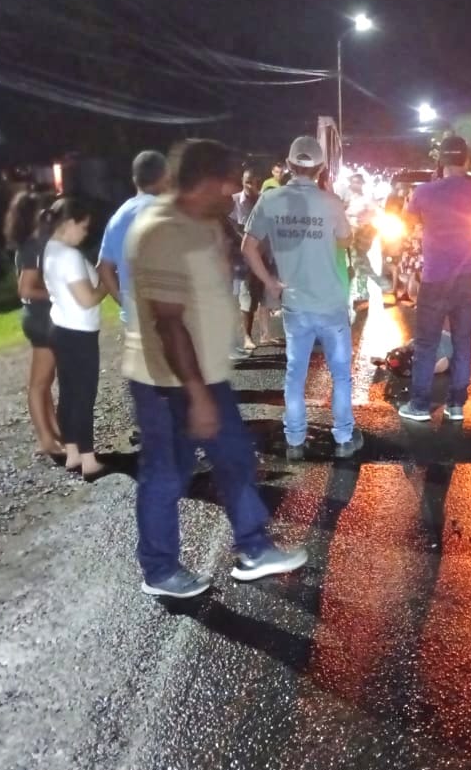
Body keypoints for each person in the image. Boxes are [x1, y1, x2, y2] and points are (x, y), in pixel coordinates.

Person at [125, 139, 308, 599]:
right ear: (205, 181)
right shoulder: (160, 230)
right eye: (227, 182)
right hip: (167, 381)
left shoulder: (202, 221)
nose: (233, 191)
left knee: (234, 458)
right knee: (167, 474)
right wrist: (198, 394)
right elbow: (168, 323)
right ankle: (160, 570)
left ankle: (254, 548)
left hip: (206, 373)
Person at [242, 136, 364, 460]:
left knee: (295, 373)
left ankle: (294, 439)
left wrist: (270, 282)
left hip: (295, 304)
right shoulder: (331, 202)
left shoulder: (270, 200)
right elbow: (345, 240)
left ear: (290, 164)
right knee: (340, 374)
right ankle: (344, 437)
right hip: (331, 304)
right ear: (321, 167)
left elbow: (248, 246)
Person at [399, 135, 471, 422]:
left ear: (441, 161)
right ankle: (456, 404)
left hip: (435, 277)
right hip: (467, 276)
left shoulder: (424, 191)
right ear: (466, 160)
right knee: (463, 340)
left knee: (426, 343)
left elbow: (407, 219)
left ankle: (420, 405)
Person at [41, 197, 109, 479]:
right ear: (69, 224)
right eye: (83, 227)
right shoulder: (68, 256)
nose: (84, 233)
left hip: (61, 328)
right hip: (79, 333)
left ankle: (72, 453)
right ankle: (89, 460)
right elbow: (87, 299)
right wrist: (107, 280)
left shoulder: (50, 250)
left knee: (68, 393)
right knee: (83, 395)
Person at [4, 191, 62, 456]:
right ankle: (46, 441)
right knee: (39, 384)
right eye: (44, 210)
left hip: (42, 317)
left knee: (44, 382)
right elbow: (25, 288)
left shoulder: (36, 243)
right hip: (41, 319)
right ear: (35, 215)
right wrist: (59, 294)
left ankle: (54, 433)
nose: (49, 214)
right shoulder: (33, 246)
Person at [96, 151, 169, 320]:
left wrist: (124, 302)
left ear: (134, 179)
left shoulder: (117, 218)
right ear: (165, 176)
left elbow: (103, 268)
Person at [230, 168, 271, 348]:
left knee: (261, 296)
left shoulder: (265, 200)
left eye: (253, 182)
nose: (249, 186)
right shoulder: (234, 201)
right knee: (246, 296)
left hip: (264, 256)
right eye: (246, 182)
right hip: (244, 258)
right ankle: (247, 337)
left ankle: (265, 333)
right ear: (242, 181)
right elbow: (232, 228)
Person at [344, 172, 376, 307]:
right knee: (347, 263)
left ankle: (362, 293)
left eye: (358, 182)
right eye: (353, 182)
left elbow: (372, 215)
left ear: (362, 184)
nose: (355, 184)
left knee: (360, 262)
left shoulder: (367, 199)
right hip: (346, 234)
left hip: (360, 235)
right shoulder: (346, 198)